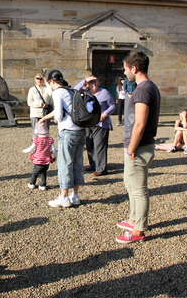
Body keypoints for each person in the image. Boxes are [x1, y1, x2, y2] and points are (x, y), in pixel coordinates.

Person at [116, 51, 160, 244]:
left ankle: (138, 231)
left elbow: (140, 124)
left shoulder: (143, 90)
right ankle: (133, 219)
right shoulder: (149, 88)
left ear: (134, 68)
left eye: (126, 69)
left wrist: (131, 149)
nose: (125, 73)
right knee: (131, 185)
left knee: (139, 190)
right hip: (138, 147)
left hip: (139, 148)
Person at [38, 70, 86, 208]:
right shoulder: (69, 91)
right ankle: (75, 196)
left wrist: (56, 119)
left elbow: (58, 114)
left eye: (49, 83)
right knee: (77, 163)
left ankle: (64, 197)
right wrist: (44, 118)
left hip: (68, 132)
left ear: (52, 81)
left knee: (65, 164)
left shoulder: (58, 92)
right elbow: (64, 110)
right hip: (80, 130)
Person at [74, 75, 115, 176]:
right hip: (89, 123)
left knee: (99, 146)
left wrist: (105, 114)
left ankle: (101, 169)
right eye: (91, 82)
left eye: (95, 82)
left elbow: (112, 106)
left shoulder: (104, 92)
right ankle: (93, 165)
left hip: (101, 123)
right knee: (90, 145)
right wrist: (84, 80)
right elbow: (74, 90)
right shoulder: (85, 93)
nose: (93, 84)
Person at [22, 122, 57, 191]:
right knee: (43, 172)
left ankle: (32, 183)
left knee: (35, 172)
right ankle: (43, 185)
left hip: (38, 159)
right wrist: (55, 156)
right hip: (46, 159)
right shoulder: (50, 139)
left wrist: (24, 151)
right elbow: (53, 149)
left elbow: (31, 148)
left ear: (37, 133)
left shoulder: (36, 140)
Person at [27, 73, 53, 138]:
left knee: (45, 130)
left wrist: (47, 83)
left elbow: (51, 94)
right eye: (37, 79)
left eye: (41, 79)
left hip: (45, 113)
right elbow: (30, 102)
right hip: (35, 113)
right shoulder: (32, 89)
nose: (39, 80)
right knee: (35, 131)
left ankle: (45, 145)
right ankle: (35, 146)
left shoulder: (46, 88)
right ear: (35, 80)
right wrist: (40, 104)